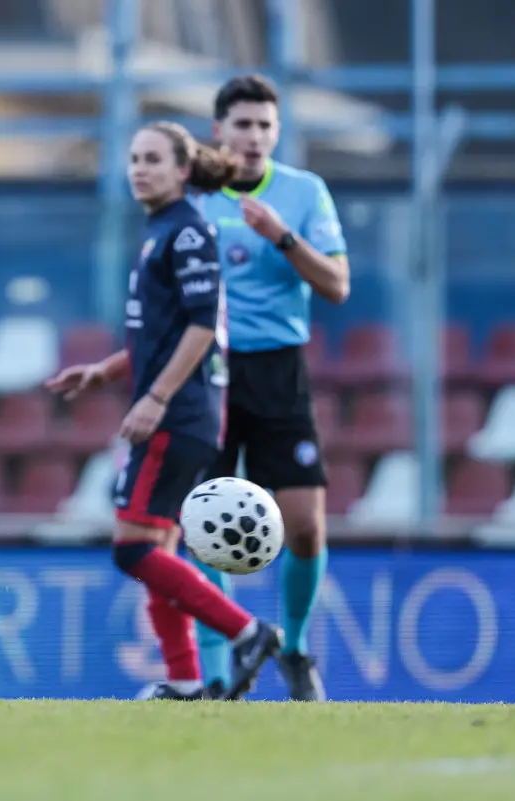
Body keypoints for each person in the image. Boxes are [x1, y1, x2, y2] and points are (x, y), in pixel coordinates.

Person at [45, 121, 282, 701]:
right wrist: (106, 370)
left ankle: (247, 632)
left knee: (133, 548)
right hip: (183, 412)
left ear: (182, 169)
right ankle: (184, 679)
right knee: (156, 549)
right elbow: (164, 332)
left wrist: (154, 398)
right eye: (133, 158)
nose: (139, 168)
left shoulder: (187, 233)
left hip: (179, 415)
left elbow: (204, 326)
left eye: (153, 158)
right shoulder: (163, 231)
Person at [195, 74, 349, 702]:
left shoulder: (303, 192)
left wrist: (282, 237)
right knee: (201, 523)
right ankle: (219, 670)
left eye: (265, 126)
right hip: (209, 369)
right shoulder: (192, 195)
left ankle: (297, 647)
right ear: (219, 131)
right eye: (243, 125)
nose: (254, 137)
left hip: (280, 370)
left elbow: (337, 286)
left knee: (306, 525)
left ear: (276, 133)